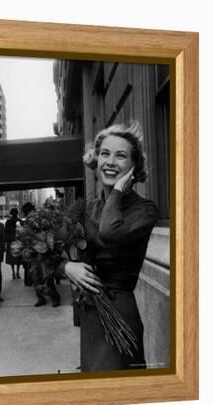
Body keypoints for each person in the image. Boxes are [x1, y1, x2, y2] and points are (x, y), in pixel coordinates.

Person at [61, 121, 159, 372]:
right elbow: (61, 253)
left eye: (121, 156)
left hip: (120, 311)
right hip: (92, 314)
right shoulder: (88, 208)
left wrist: (116, 192)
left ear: (133, 167)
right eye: (105, 154)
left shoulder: (145, 210)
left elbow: (110, 233)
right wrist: (67, 267)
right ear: (96, 161)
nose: (110, 162)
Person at [4, 208, 23, 280]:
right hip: (18, 242)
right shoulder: (19, 221)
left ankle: (13, 272)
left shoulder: (8, 222)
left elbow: (5, 232)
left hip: (11, 242)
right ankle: (17, 272)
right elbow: (22, 231)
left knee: (12, 259)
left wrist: (7, 241)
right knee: (18, 259)